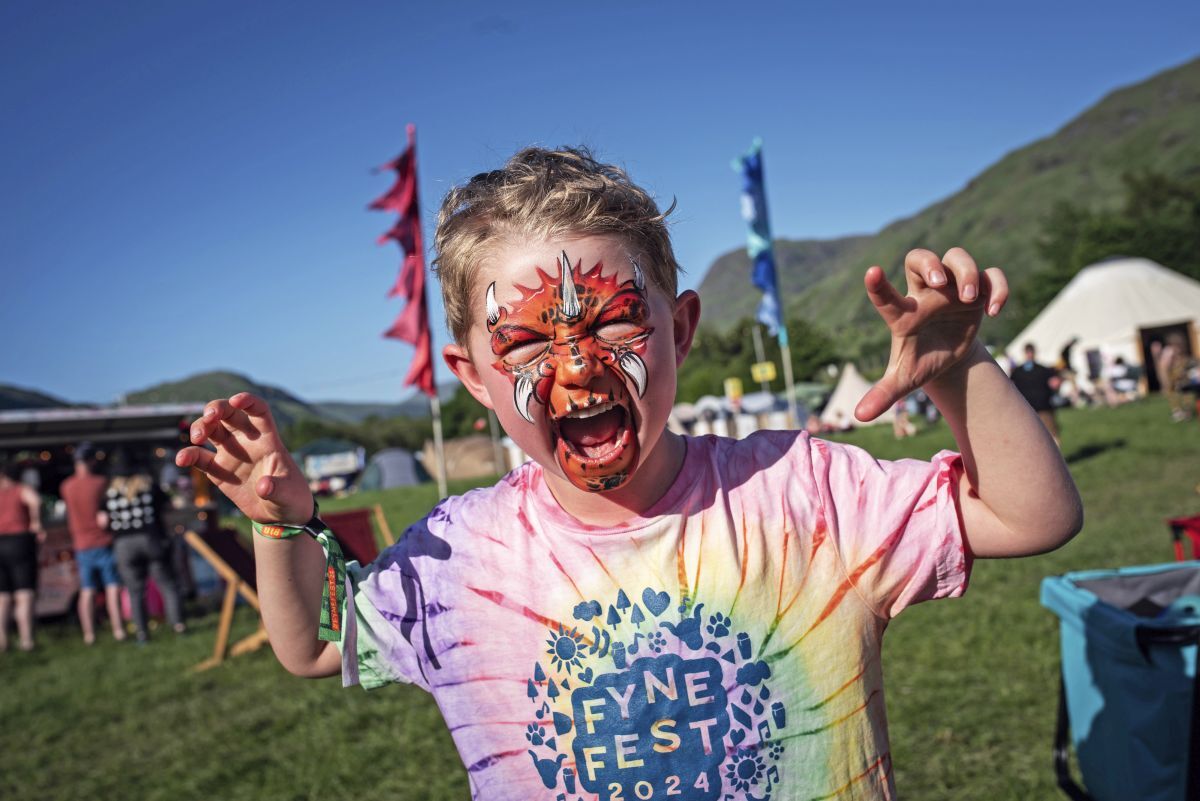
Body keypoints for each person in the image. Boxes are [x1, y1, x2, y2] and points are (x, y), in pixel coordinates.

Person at [177, 147, 1083, 800]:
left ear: (681, 329)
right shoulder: (459, 558)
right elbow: (309, 647)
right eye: (526, 340)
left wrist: (964, 366)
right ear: (473, 378)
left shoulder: (803, 495)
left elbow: (1032, 515)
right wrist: (280, 522)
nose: (578, 371)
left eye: (614, 323)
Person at [106, 459, 186, 643]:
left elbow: (102, 520)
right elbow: (171, 505)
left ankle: (142, 633)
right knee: (167, 584)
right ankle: (178, 625)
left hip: (124, 544)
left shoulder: (110, 493)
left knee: (135, 591)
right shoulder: (149, 487)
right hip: (150, 539)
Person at [60, 442, 126, 644]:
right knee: (112, 588)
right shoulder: (100, 482)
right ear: (90, 461)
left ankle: (89, 635)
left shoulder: (66, 486)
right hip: (102, 541)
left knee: (87, 590)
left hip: (81, 544)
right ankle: (118, 630)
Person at [0, 461, 43, 651]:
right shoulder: (20, 489)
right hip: (19, 542)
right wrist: (36, 522)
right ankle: (26, 640)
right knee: (24, 593)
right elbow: (36, 501)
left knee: (2, 595)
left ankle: (2, 640)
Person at [1011, 343, 1062, 446]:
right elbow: (1011, 386)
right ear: (1024, 353)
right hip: (1026, 408)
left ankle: (1057, 459)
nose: (1030, 354)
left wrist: (1057, 384)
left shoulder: (1044, 370)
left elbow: (1056, 382)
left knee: (1052, 433)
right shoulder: (1017, 372)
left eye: (1031, 352)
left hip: (1044, 406)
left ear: (1034, 352)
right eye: (1028, 352)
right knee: (1031, 436)